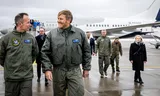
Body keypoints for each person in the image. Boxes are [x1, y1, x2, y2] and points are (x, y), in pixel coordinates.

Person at [41, 10, 91, 96]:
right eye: (58, 18)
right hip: (58, 71)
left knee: (77, 93)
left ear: (68, 20)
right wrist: (47, 69)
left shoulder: (79, 33)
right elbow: (45, 52)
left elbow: (86, 51)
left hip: (74, 70)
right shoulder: (52, 34)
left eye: (61, 19)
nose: (58, 21)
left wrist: (86, 68)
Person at [0, 13, 39, 96]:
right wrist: (9, 66)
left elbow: (34, 53)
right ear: (20, 24)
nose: (30, 24)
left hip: (26, 77)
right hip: (11, 78)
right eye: (28, 22)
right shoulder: (6, 38)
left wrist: (27, 63)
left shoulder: (31, 38)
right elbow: (1, 56)